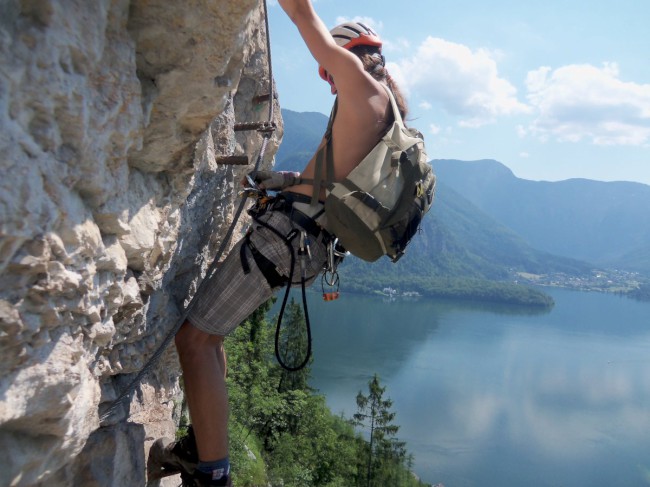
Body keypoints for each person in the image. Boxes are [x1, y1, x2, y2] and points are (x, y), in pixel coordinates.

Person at [149, 1, 408, 485]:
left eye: (328, 69)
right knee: (211, 334)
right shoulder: (386, 111)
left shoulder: (359, 84)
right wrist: (284, 179)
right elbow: (326, 181)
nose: (327, 79)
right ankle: (204, 444)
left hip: (286, 240)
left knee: (194, 339)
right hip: (308, 243)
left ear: (352, 53)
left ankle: (211, 473)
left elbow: (303, 18)